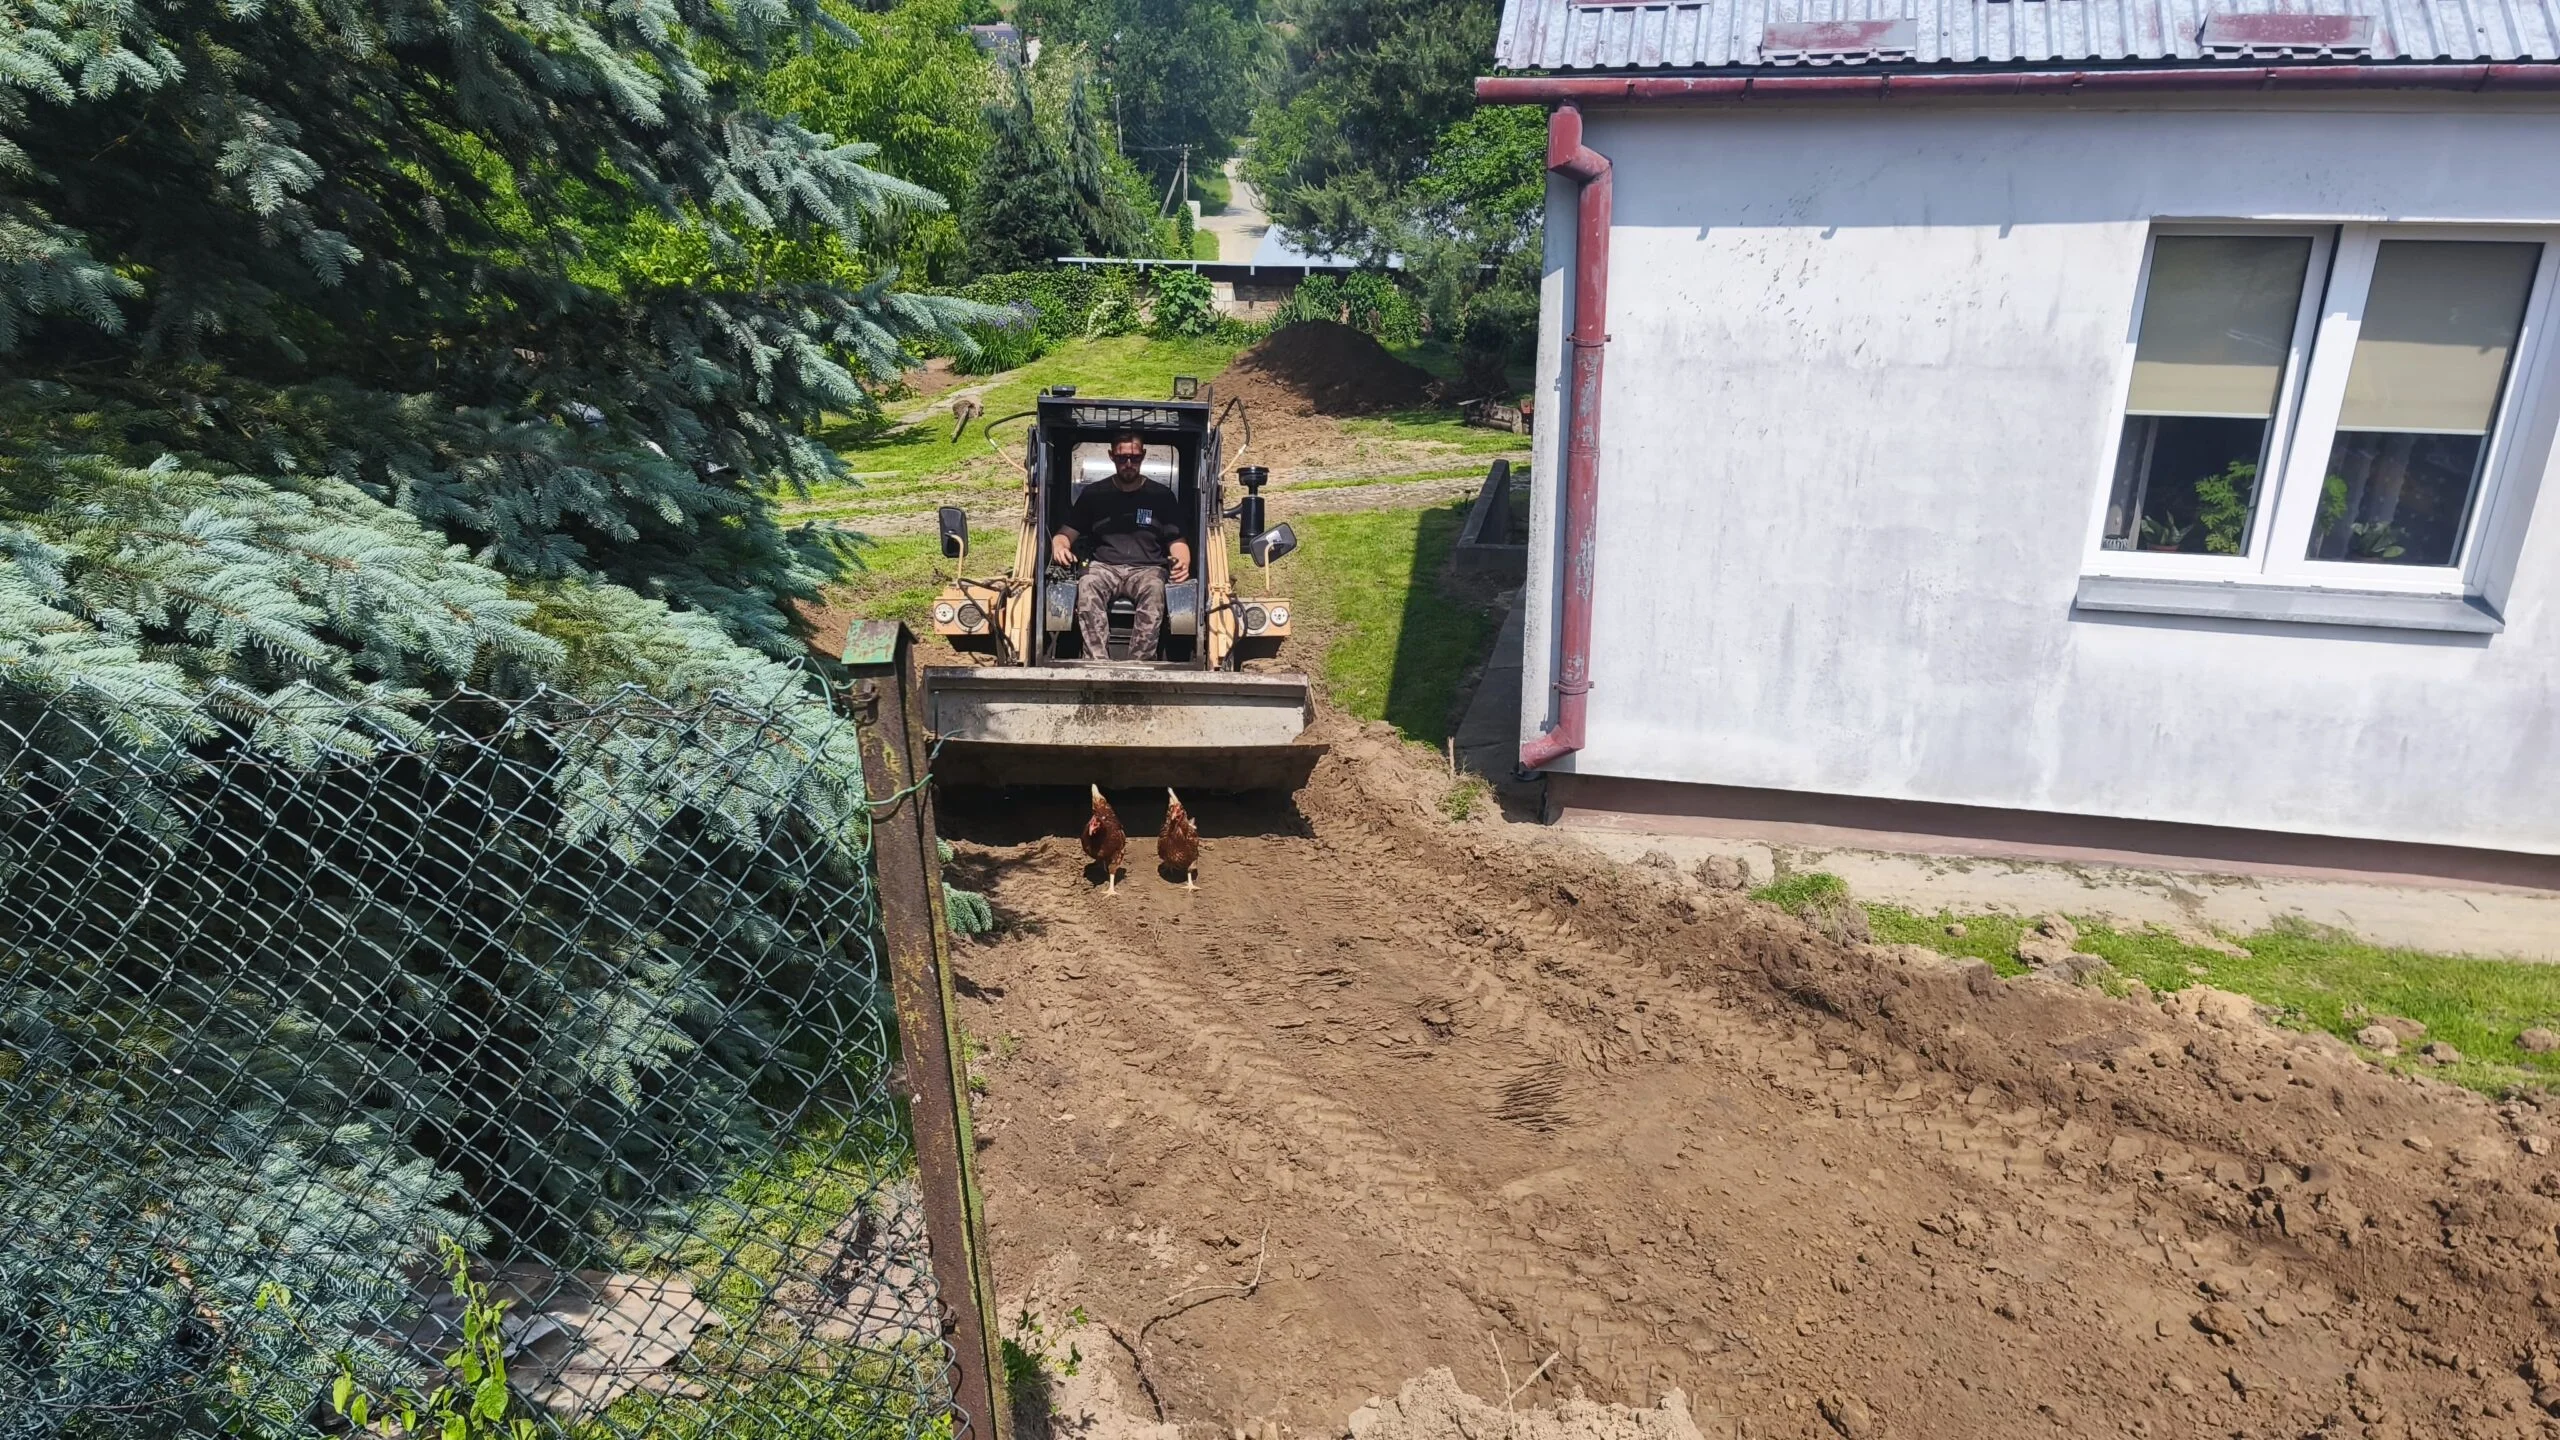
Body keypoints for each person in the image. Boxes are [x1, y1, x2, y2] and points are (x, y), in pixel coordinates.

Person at [1052, 431, 1192, 660]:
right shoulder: (1094, 494)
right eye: (1122, 458)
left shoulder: (1161, 496)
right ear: (1111, 456)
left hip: (1147, 569)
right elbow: (1065, 534)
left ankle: (1139, 664)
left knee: (1155, 590)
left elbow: (1177, 542)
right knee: (1087, 584)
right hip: (1105, 567)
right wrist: (1060, 546)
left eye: (1135, 458)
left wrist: (1183, 561)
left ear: (1143, 456)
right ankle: (1097, 663)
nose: (1129, 463)